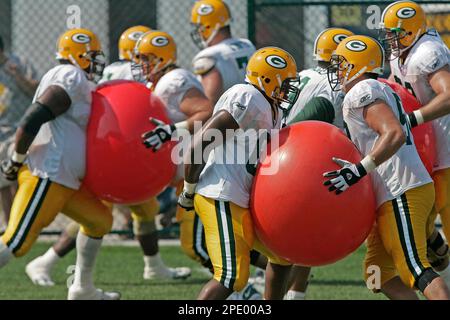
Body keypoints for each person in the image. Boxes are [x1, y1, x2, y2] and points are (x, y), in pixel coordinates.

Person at [24, 26, 191, 287]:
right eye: (141, 56)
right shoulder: (122, 73)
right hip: (115, 153)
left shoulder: (110, 71)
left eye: (146, 57)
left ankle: (152, 266)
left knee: (144, 209)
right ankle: (52, 264)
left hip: (116, 152)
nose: (142, 63)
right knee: (98, 218)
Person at [325, 34, 449, 300]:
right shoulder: (379, 89)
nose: (337, 70)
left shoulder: (362, 91)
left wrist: (358, 170)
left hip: (400, 189)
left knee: (414, 268)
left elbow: (393, 133)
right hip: (400, 189)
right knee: (377, 272)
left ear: (359, 64)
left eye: (343, 63)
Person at [0, 28, 119, 300]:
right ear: (76, 54)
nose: (95, 61)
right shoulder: (70, 75)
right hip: (48, 174)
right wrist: (17, 159)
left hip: (64, 178)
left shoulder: (77, 79)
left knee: (98, 220)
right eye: (90, 55)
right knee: (16, 242)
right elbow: (32, 119)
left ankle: (82, 289)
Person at [178, 47, 300, 300]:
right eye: (285, 83)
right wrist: (188, 190)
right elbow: (199, 144)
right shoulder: (248, 97)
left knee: (283, 256)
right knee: (231, 276)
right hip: (221, 193)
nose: (288, 90)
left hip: (242, 197)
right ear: (267, 79)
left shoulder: (269, 105)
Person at [379, 0, 450, 287]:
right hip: (429, 152)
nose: (389, 38)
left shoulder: (427, 52)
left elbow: (448, 95)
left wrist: (412, 119)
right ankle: (439, 255)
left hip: (446, 152)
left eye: (394, 32)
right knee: (419, 225)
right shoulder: (402, 54)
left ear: (410, 31)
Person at [281, 27, 354, 300]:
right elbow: (306, 123)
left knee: (296, 236)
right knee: (304, 232)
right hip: (301, 160)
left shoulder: (302, 75)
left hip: (279, 156)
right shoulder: (333, 87)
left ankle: (292, 294)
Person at [0, 34, 39, 222]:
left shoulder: (19, 63)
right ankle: (10, 225)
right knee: (2, 184)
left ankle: (20, 222)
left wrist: (17, 76)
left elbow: (36, 90)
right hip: (0, 132)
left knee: (17, 177)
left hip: (20, 129)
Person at [190, 0, 256, 105]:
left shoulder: (208, 57)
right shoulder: (247, 45)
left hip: (227, 119)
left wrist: (197, 122)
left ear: (207, 27)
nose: (198, 32)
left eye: (199, 27)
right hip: (255, 112)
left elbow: (208, 107)